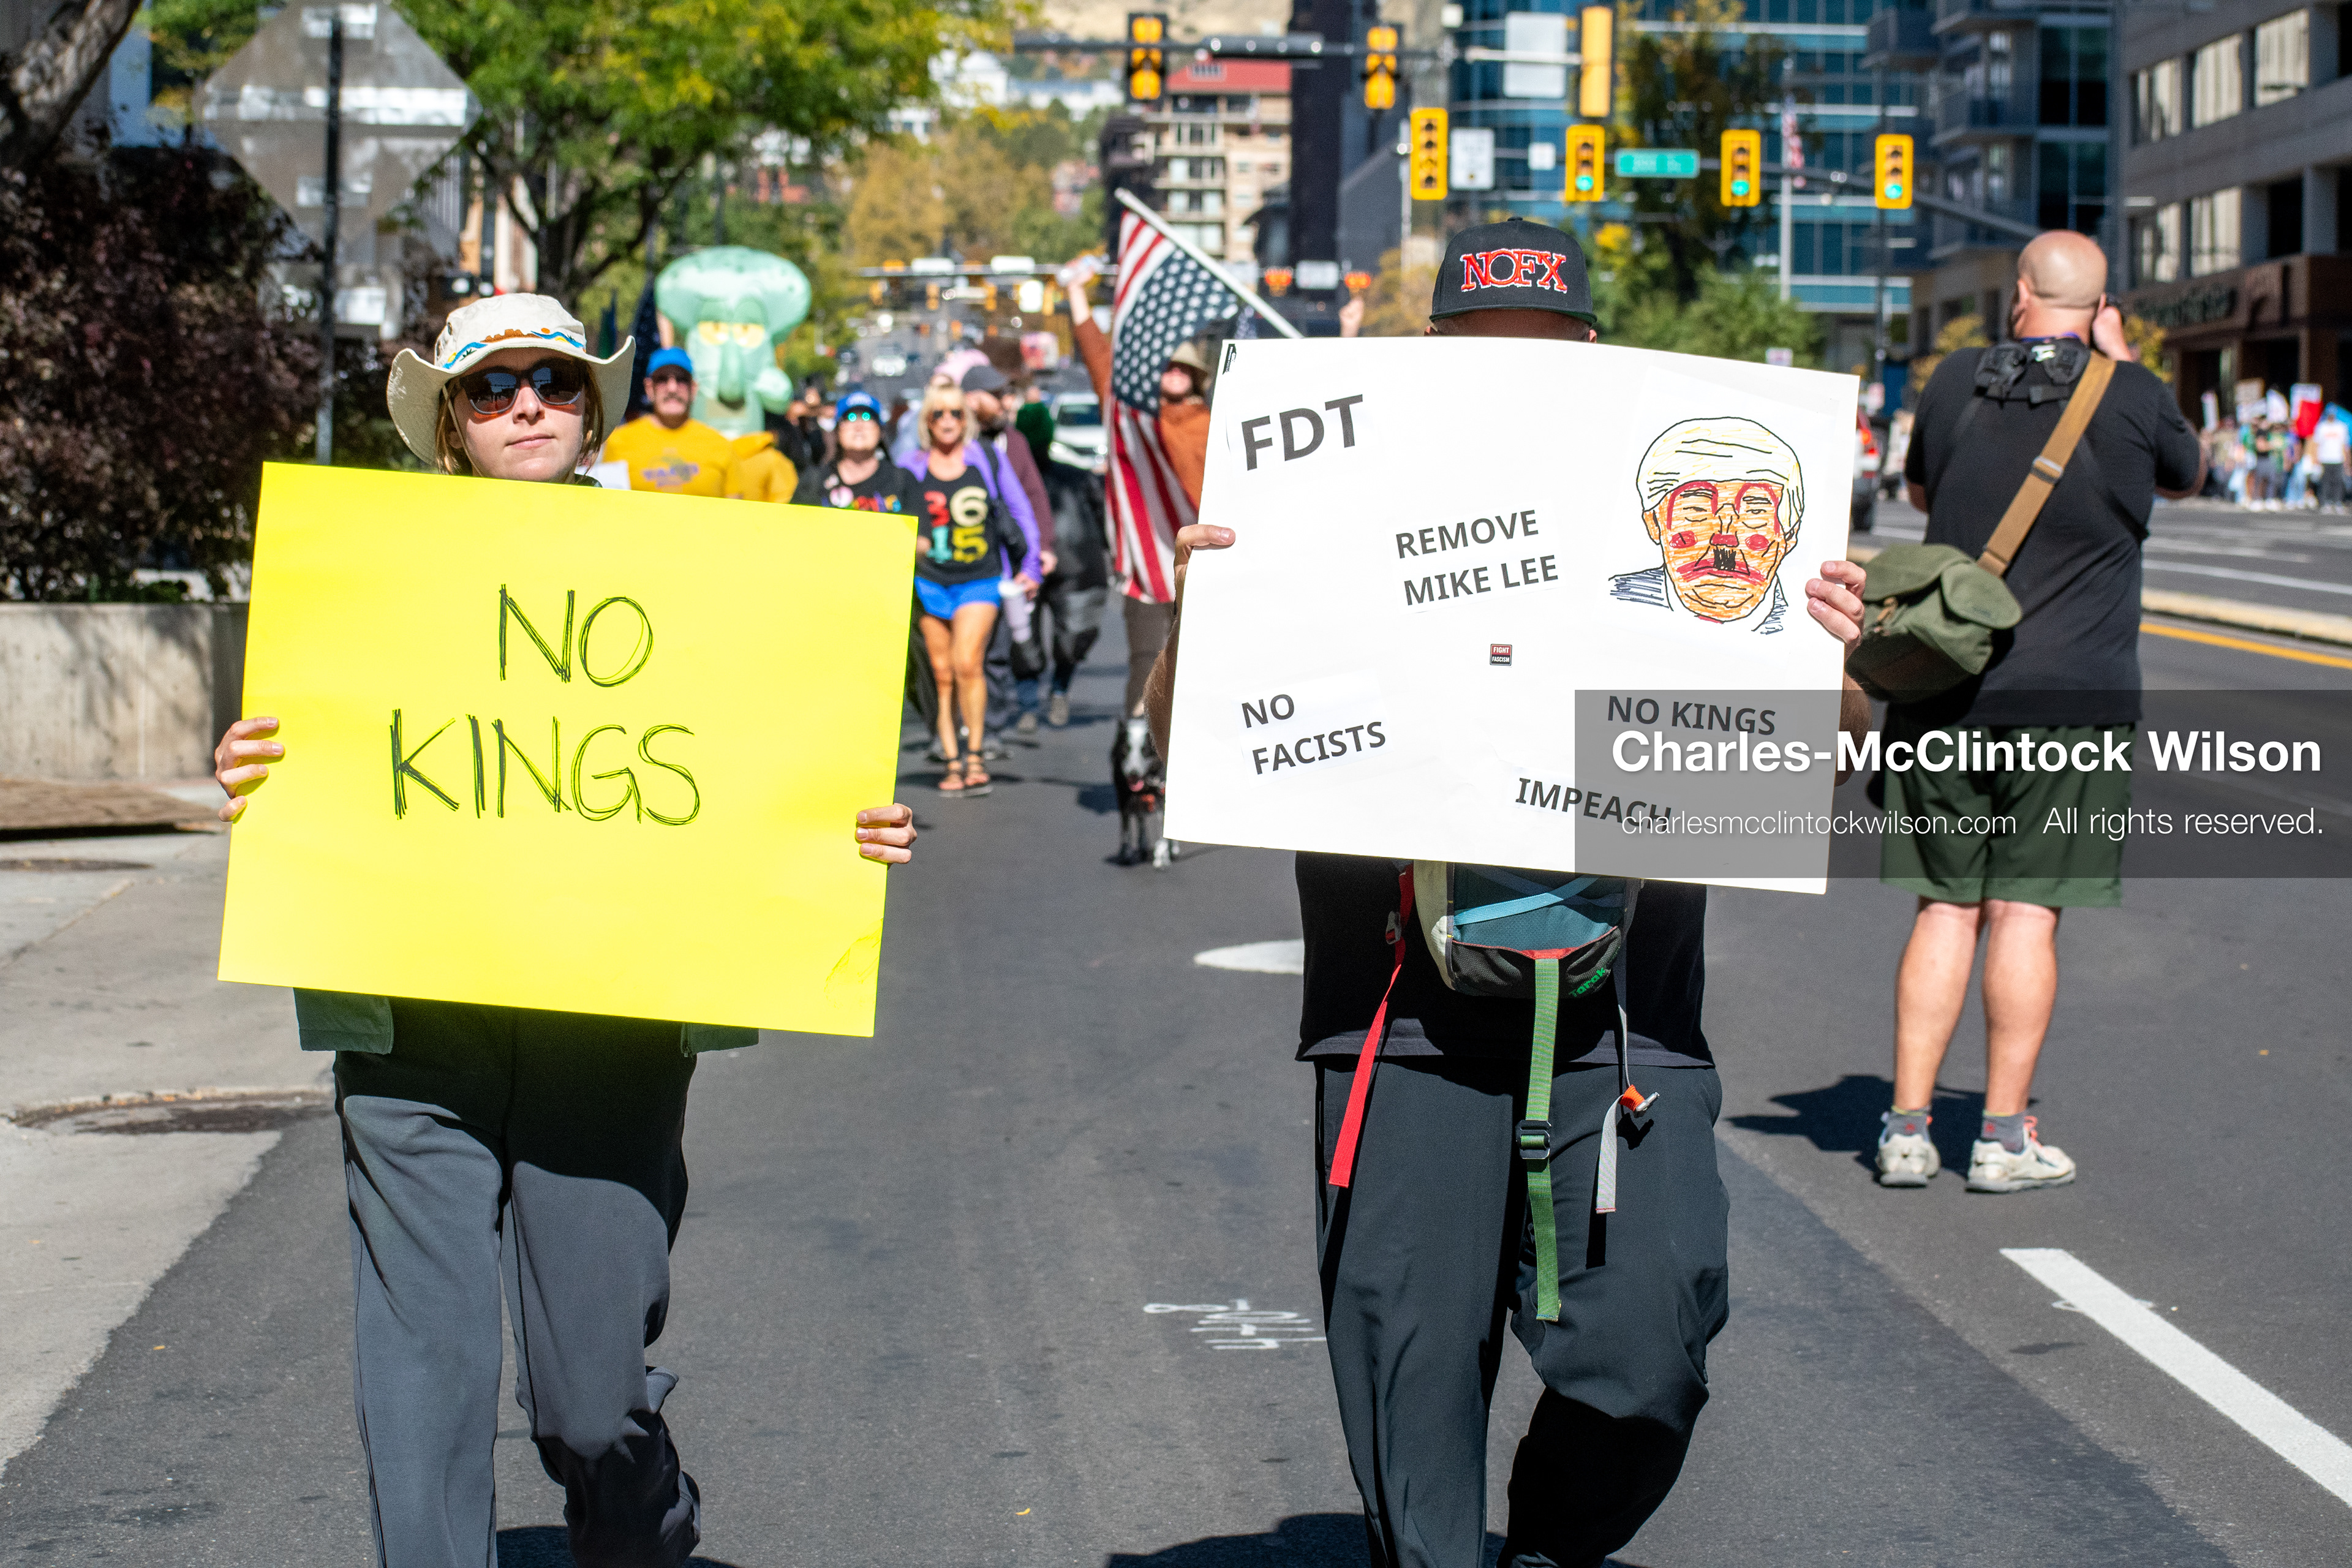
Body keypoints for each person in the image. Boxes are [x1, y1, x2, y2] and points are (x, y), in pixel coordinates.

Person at [1141, 218, 1874, 1568]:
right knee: (1408, 1395)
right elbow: (1189, 748)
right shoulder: (1339, 503)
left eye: (1546, 352)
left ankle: (1545, 1543)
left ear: (1595, 361)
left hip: (1622, 1025)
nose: (1518, 375)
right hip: (1398, 1029)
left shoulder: (1690, 522)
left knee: (1649, 1352)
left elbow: (1830, 772)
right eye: (1486, 350)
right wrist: (1216, 610)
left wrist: (1821, 655)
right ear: (1436, 360)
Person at [208, 293, 918, 1568]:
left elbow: (780, 759)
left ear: (590, 406)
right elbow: (303, 747)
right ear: (448, 425)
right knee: (422, 1372)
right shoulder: (363, 575)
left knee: (592, 1402)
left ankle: (645, 1514)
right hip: (410, 1018)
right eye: (491, 388)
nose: (524, 402)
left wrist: (846, 829)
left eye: (550, 379)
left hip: (613, 1020)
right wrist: (253, 767)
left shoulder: (689, 572)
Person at [1877, 231, 2204, 1194]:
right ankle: (2002, 1138)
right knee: (2025, 913)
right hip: (2077, 706)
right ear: (2102, 308)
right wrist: (2126, 364)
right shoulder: (2134, 396)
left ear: (2020, 293)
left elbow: (1922, 490)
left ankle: (1904, 1130)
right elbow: (2186, 474)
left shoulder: (1951, 383)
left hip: (1947, 689)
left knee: (1946, 907)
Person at [1067, 264, 1211, 716]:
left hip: (1207, 563)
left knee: (1203, 671)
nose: (1174, 372)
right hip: (1148, 568)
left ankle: (1186, 771)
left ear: (1198, 375)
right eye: (1166, 365)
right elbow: (1099, 359)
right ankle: (1138, 766)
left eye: (1183, 366)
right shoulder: (1131, 416)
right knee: (1149, 667)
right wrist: (1075, 295)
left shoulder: (1216, 421)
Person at [902, 383, 1037, 795]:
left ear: (967, 420)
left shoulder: (986, 459)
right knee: (941, 674)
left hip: (980, 578)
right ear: (927, 422)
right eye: (938, 414)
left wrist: (1031, 565)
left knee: (967, 662)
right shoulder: (910, 466)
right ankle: (952, 760)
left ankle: (975, 753)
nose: (947, 421)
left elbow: (1019, 508)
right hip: (928, 580)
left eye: (956, 414)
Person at [961, 363, 1059, 733]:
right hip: (956, 560)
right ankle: (961, 726)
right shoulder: (952, 438)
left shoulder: (1012, 441)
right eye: (997, 395)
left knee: (999, 649)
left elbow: (1032, 497)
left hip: (1004, 560)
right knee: (957, 656)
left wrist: (1042, 549)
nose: (1006, 402)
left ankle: (993, 727)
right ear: (973, 399)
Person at [1019, 403, 1110, 729]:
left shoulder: (1074, 477)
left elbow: (1102, 513)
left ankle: (1056, 690)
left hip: (1075, 563)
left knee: (1070, 634)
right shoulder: (1013, 482)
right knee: (1022, 635)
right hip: (1032, 566)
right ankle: (1029, 699)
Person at [601, 347, 741, 497]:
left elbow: (736, 511)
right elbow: (609, 505)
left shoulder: (722, 445)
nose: (672, 388)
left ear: (693, 388)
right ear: (649, 388)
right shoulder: (617, 441)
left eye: (681, 379)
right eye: (662, 379)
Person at [2313, 404, 2350, 513]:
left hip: (2338, 458)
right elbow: (2316, 444)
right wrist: (2316, 458)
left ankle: (2337, 502)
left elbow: (2345, 445)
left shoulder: (2342, 427)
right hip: (2325, 458)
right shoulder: (2321, 427)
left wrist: (2347, 461)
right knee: (2325, 482)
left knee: (2338, 481)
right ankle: (2325, 503)